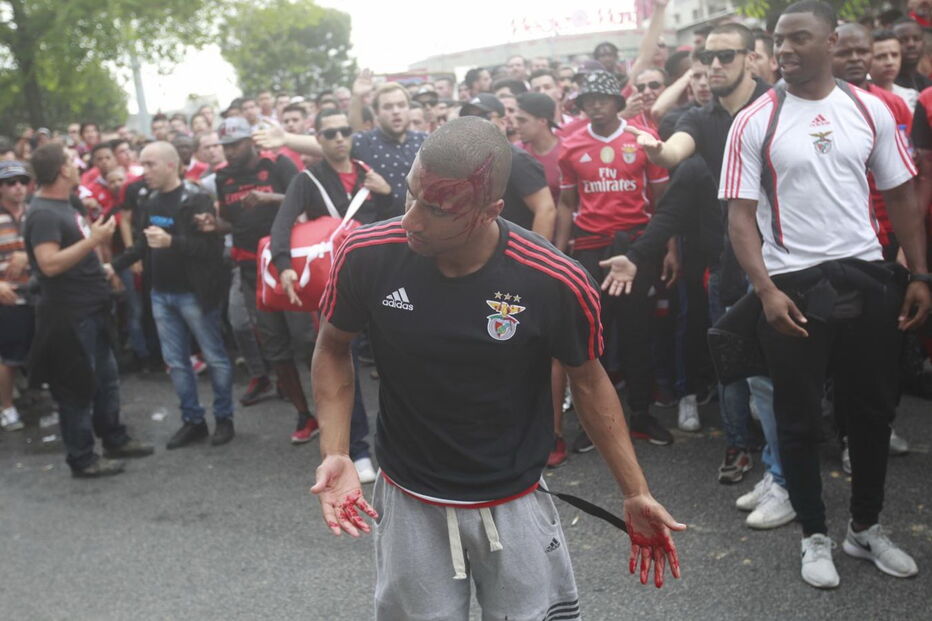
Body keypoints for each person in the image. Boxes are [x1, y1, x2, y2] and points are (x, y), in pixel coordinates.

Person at [310, 116, 685, 619]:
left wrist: (635, 491)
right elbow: (333, 348)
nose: (412, 220)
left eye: (438, 209)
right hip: (409, 498)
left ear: (491, 211)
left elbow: (590, 381)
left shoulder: (554, 279)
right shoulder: (366, 255)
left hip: (516, 499)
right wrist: (335, 450)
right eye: (410, 195)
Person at [721, 0, 929, 589]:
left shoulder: (870, 109)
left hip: (866, 277)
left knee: (871, 411)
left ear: (831, 42)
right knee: (797, 417)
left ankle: (865, 527)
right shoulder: (755, 119)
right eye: (778, 39)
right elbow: (739, 218)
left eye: (798, 38)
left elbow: (903, 195)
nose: (784, 49)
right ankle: (813, 534)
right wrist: (764, 291)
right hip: (791, 287)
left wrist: (919, 273)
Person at [631, 23, 784, 493]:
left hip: (792, 255)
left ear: (751, 59)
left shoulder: (782, 105)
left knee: (788, 368)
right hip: (731, 262)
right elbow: (677, 151)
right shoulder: (700, 117)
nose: (714, 65)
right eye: (707, 57)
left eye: (725, 57)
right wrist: (659, 151)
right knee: (736, 367)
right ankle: (741, 446)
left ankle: (790, 463)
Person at [270, 108, 393, 477]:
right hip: (336, 282)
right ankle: (356, 449)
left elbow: (396, 218)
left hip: (381, 276)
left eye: (344, 130)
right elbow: (282, 223)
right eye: (330, 133)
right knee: (342, 365)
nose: (339, 137)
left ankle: (398, 441)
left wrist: (386, 195)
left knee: (397, 360)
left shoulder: (369, 172)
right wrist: (284, 265)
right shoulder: (308, 179)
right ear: (318, 140)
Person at [555, 71, 674, 449]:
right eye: (588, 98)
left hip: (637, 247)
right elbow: (566, 204)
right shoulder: (570, 146)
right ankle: (597, 425)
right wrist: (558, 255)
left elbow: (662, 202)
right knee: (593, 339)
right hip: (590, 249)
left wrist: (670, 248)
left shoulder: (642, 141)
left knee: (639, 333)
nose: (594, 104)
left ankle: (640, 416)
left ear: (618, 102)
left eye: (602, 98)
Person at [24, 143, 153, 477]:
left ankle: (114, 438)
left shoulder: (67, 202)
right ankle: (82, 458)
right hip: (69, 315)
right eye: (72, 161)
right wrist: (93, 241)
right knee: (77, 386)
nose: (78, 165)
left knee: (106, 379)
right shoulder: (41, 213)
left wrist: (103, 269)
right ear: (62, 170)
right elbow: (48, 264)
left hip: (93, 307)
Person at [110, 142, 234, 448]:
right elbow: (142, 243)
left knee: (215, 358)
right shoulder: (149, 200)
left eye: (150, 164)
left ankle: (223, 418)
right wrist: (112, 267)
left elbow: (212, 250)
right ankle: (193, 421)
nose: (143, 172)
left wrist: (172, 242)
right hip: (161, 294)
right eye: (141, 165)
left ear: (170, 165)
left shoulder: (196, 199)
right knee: (177, 363)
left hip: (194, 294)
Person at [210, 117, 317, 437]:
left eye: (235, 144)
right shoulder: (222, 177)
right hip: (249, 269)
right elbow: (230, 221)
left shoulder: (277, 164)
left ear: (251, 142)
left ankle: (334, 409)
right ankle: (303, 415)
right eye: (225, 146)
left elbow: (309, 199)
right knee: (274, 346)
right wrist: (212, 223)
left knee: (308, 341)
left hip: (286, 263)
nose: (229, 152)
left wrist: (269, 198)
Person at [460, 94, 556, 239]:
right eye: (469, 118)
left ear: (503, 122)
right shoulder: (471, 160)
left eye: (485, 116)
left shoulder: (516, 159)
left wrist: (533, 256)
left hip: (517, 252)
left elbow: (546, 209)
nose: (477, 123)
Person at [0, 161, 34, 431]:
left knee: (43, 350)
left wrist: (26, 255)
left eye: (23, 181)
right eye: (11, 182)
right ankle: (7, 408)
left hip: (38, 294)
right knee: (8, 358)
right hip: (8, 297)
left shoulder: (35, 213)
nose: (19, 187)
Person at [871, 30, 919, 110]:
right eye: (881, 56)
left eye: (894, 55)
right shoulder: (858, 97)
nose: (890, 62)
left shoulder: (912, 97)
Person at [893, 17, 932, 93]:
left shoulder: (927, 85)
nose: (911, 44)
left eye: (916, 39)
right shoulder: (885, 83)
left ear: (923, 43)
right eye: (903, 40)